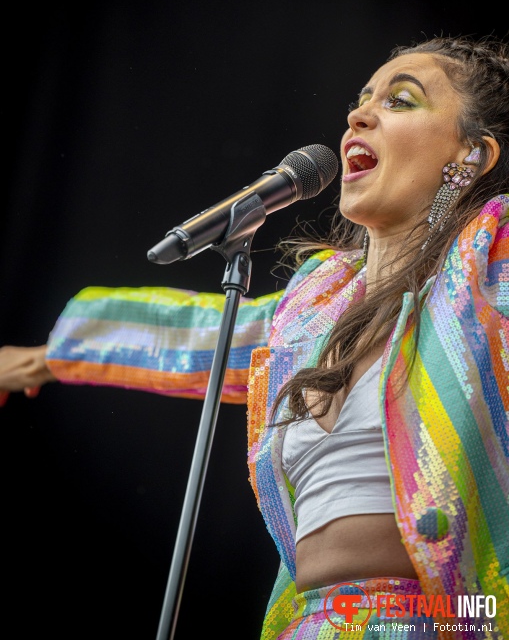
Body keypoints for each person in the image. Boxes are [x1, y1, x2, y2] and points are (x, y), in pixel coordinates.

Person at [1, 34, 508, 640]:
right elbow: (194, 339)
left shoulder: (491, 274)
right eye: (361, 98)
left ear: (472, 156)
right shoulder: (316, 306)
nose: (357, 115)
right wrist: (38, 360)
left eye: (401, 100)